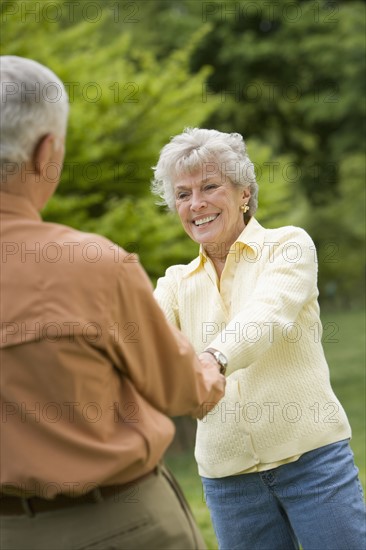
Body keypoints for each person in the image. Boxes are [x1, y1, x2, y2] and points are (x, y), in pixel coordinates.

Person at [0, 57, 226, 550]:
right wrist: (209, 372)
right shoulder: (92, 265)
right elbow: (182, 390)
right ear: (47, 152)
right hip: (120, 527)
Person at [152, 128, 366, 550]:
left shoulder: (287, 246)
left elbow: (266, 316)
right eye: (182, 194)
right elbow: (143, 344)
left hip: (313, 466)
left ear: (243, 193)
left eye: (210, 186)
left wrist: (213, 357)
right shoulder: (176, 282)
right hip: (228, 483)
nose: (196, 204)